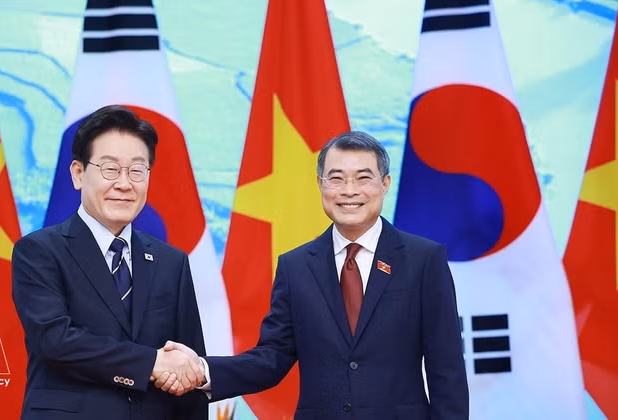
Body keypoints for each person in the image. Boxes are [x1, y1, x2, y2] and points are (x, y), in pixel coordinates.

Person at [158, 131, 469, 419]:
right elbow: (272, 358)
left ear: (385, 183)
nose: (350, 190)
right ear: (321, 184)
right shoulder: (295, 267)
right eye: (337, 178)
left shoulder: (423, 260)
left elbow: (447, 370)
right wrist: (202, 370)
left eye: (363, 178)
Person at [12, 105, 207, 419]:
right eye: (110, 169)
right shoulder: (39, 251)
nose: (124, 183)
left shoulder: (171, 262)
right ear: (78, 174)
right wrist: (152, 363)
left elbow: (187, 367)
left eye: (137, 170)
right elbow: (56, 341)